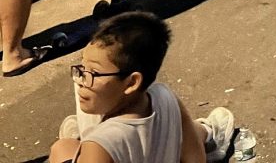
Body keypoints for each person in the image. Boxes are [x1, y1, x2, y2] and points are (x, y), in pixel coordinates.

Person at [48, 11, 234, 163]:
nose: (79, 80)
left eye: (93, 73)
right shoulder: (165, 95)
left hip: (101, 149)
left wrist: (87, 151)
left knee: (61, 148)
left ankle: (80, 140)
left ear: (131, 82)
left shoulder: (100, 144)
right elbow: (193, 155)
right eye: (82, 68)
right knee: (183, 130)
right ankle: (209, 135)